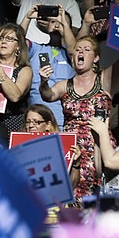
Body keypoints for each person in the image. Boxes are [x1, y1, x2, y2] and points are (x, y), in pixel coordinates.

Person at [40, 35, 113, 199]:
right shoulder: (66, 84)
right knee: (74, 197)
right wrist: (44, 82)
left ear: (96, 58)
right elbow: (48, 95)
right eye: (78, 49)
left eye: (87, 50)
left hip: (99, 146)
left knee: (100, 199)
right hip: (74, 149)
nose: (81, 52)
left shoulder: (105, 78)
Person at [21, 5, 75, 128]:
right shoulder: (36, 49)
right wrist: (27, 17)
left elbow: (73, 50)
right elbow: (17, 41)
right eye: (52, 21)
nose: (56, 25)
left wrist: (64, 27)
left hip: (64, 122)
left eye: (61, 22)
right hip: (36, 121)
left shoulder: (75, 55)